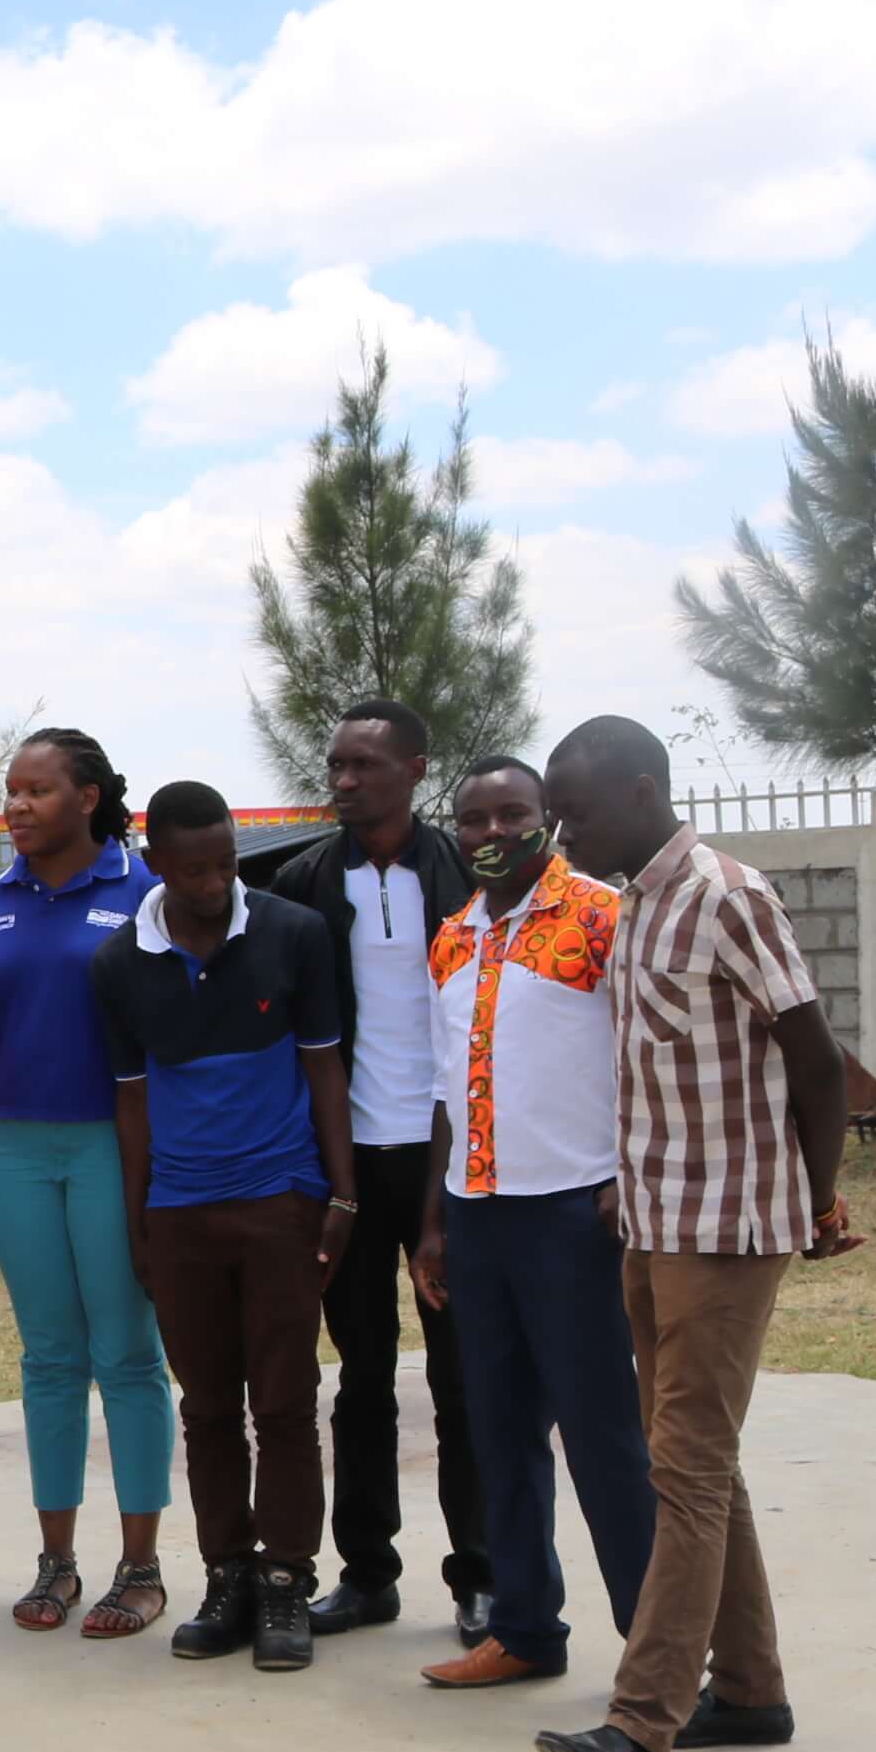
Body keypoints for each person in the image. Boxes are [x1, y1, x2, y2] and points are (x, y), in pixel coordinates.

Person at [533, 716, 861, 1752]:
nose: (561, 829)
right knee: (700, 1460)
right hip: (651, 1217)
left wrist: (817, 1196)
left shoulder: (728, 894)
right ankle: (753, 1691)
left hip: (728, 1227)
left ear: (640, 788)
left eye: (574, 808)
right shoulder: (632, 909)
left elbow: (815, 1059)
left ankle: (642, 1727)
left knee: (682, 1468)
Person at [89, 783, 358, 1674]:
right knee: (205, 1409)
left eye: (225, 862)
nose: (213, 883)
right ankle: (227, 1578)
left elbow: (325, 1072)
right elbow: (132, 1107)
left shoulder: (292, 934)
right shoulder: (121, 963)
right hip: (180, 1213)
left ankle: (285, 1583)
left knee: (282, 1402)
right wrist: (139, 1223)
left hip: (280, 1200)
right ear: (153, 861)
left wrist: (341, 1197)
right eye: (192, 867)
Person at [407, 760, 658, 1691]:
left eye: (511, 813)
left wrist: (626, 1178)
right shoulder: (451, 938)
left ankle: (658, 1651)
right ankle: (523, 1629)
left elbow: (646, 1055)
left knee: (604, 1441)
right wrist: (432, 1222)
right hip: (478, 1220)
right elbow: (442, 1090)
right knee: (495, 1431)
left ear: (545, 819)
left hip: (574, 1216)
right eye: (473, 819)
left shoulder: (602, 917)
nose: (490, 833)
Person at [268, 699, 491, 1645]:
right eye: (336, 765)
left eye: (365, 764)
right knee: (359, 1378)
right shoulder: (299, 884)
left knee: (464, 1380)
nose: (346, 780)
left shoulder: (469, 879)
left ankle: (482, 1575)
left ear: (415, 767)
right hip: (347, 1168)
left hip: (453, 1164)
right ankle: (367, 1575)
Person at [0, 732, 176, 1645]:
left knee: (125, 1353)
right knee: (48, 1357)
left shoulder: (142, 895)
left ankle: (142, 1567)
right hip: (13, 1148)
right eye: (10, 791)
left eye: (36, 791)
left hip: (112, 1148)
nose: (16, 806)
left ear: (88, 798)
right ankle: (56, 1563)